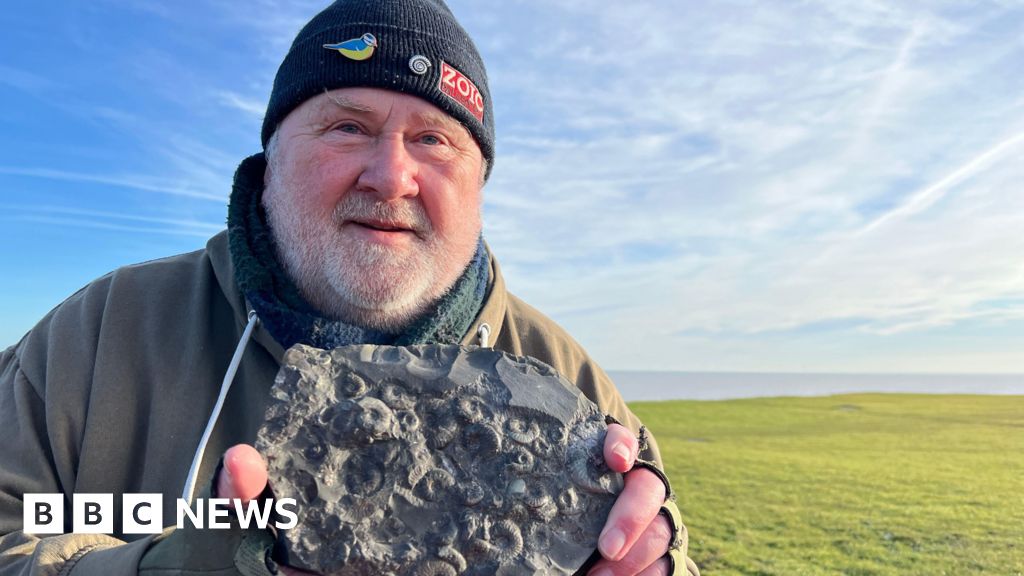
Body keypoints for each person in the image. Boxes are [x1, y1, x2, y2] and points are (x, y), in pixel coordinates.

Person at [0, 1, 699, 574]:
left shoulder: (565, 382)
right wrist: (178, 566)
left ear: (478, 187)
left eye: (434, 140)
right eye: (347, 127)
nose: (391, 177)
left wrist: (647, 561)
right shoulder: (100, 334)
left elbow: (667, 559)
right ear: (271, 162)